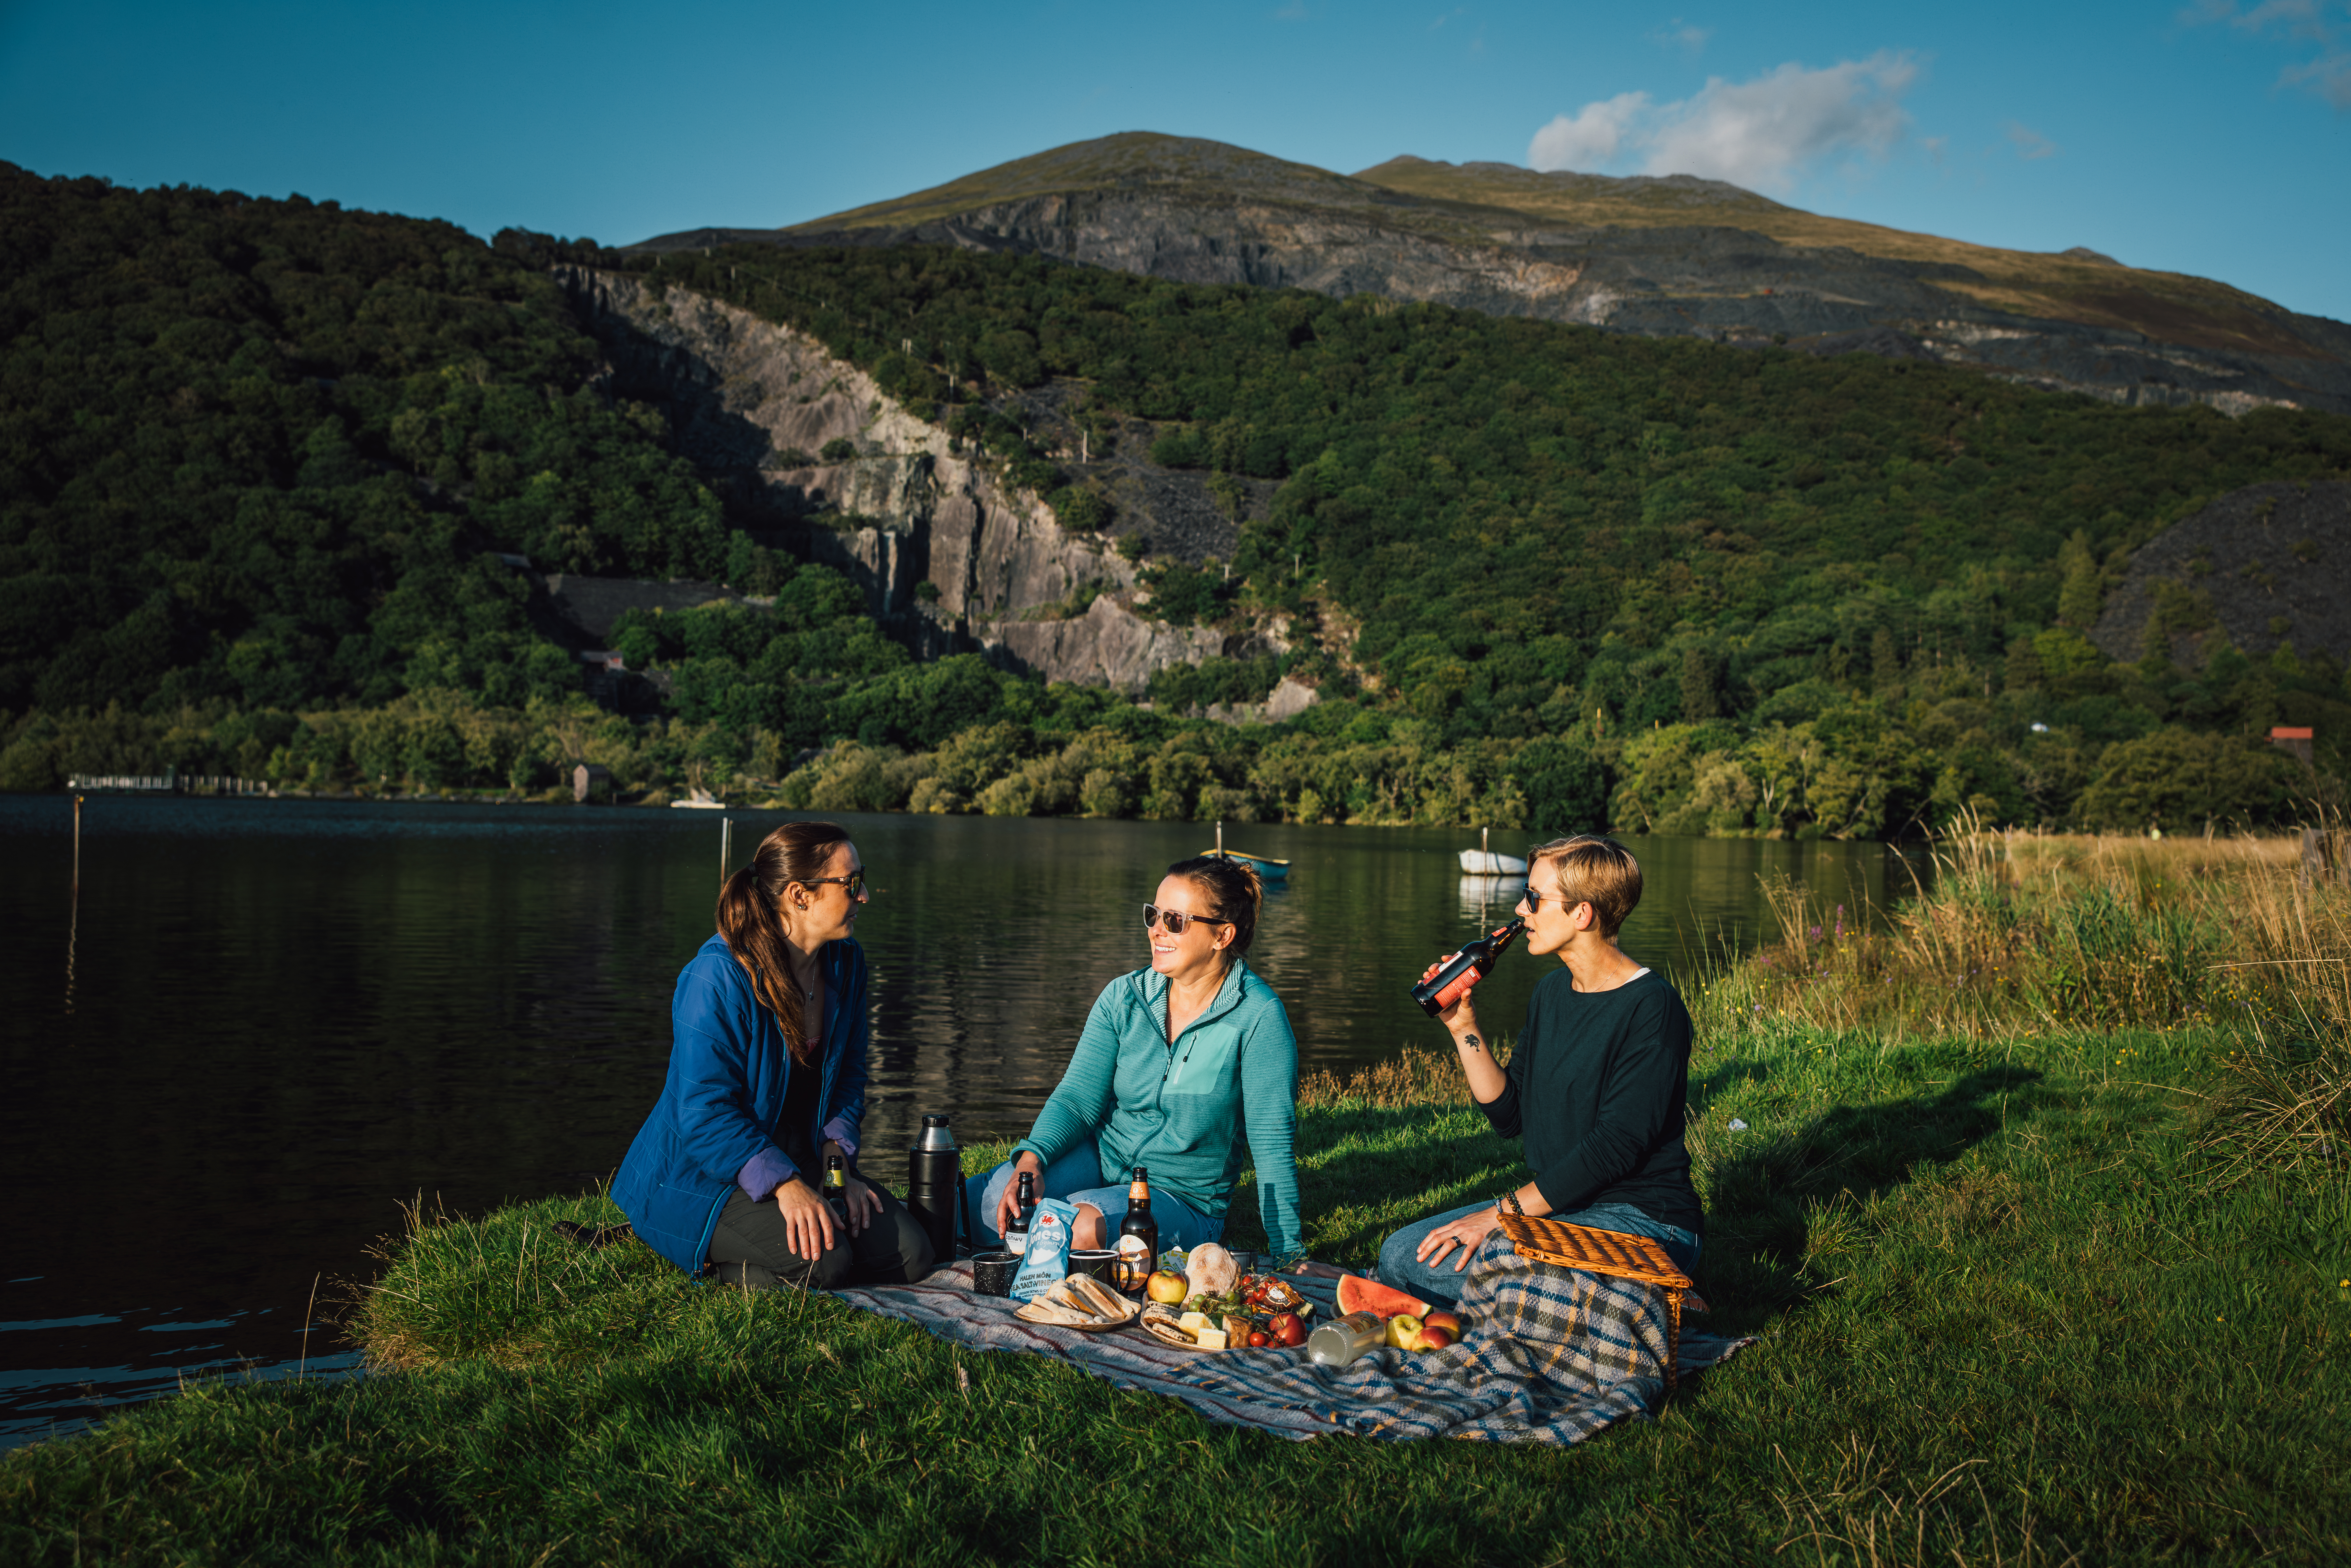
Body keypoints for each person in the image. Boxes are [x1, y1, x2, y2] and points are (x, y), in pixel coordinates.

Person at [1376, 835, 1703, 1308]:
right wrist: (1462, 1026)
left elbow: (1615, 1147)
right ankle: (1614, 1299)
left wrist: (1499, 1215)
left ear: (1581, 913)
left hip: (1645, 1221)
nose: (1520, 909)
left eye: (1533, 897)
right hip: (1564, 1210)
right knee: (1401, 1255)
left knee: (1465, 1268)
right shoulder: (1551, 992)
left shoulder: (1652, 1007)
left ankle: (1652, 1290)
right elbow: (1509, 1115)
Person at [612, 821, 933, 1291]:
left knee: (912, 1255)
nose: (863, 896)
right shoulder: (714, 978)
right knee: (825, 1264)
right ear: (800, 895)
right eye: (850, 883)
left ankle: (770, 1241)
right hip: (703, 1175)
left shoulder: (847, 963)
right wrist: (785, 1185)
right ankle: (687, 1246)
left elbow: (849, 1075)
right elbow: (704, 1114)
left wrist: (835, 1159)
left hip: (799, 1157)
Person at [976, 855, 1304, 1262]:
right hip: (1103, 1158)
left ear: (1222, 935)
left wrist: (1289, 1253)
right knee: (999, 1199)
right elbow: (1077, 1098)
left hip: (1181, 1197)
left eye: (1175, 920)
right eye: (1153, 915)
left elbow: (1271, 1146)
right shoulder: (1124, 996)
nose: (1156, 930)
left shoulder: (1258, 1016)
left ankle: (1060, 1229)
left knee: (1078, 1228)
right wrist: (1032, 1160)